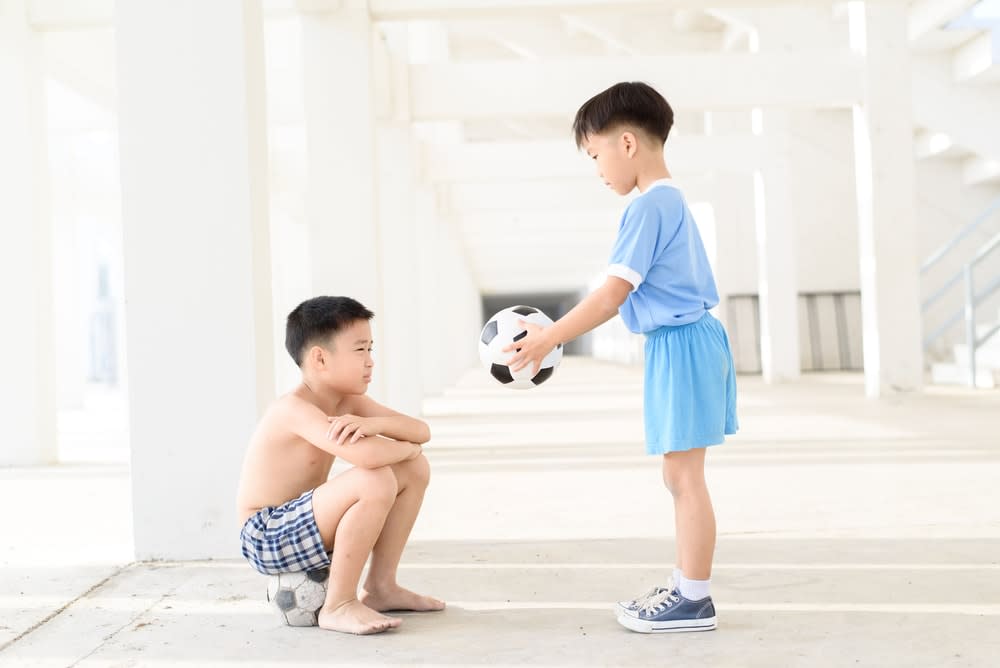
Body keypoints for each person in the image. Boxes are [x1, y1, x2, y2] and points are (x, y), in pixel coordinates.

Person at [506, 81, 738, 633]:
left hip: (681, 345)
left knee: (685, 479)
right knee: (679, 476)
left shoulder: (650, 207)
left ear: (627, 143)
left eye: (595, 155)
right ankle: (687, 585)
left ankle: (695, 599)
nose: (598, 170)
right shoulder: (670, 202)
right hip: (684, 342)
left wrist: (548, 337)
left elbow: (613, 294)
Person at [236, 295, 444, 635]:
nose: (371, 361)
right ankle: (338, 605)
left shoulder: (349, 401)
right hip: (266, 532)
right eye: (360, 350)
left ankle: (381, 586)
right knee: (374, 480)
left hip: (303, 521)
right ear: (320, 358)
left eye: (371, 349)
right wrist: (408, 450)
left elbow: (422, 431)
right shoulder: (293, 409)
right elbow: (370, 458)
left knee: (415, 471)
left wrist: (377, 426)